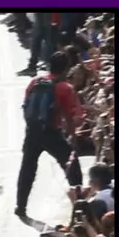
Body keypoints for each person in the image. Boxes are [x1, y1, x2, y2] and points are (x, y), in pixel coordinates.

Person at [15, 54, 86, 221]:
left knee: (27, 168)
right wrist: (73, 135)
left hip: (32, 132)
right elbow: (73, 116)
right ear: (66, 68)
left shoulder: (35, 82)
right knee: (72, 167)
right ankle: (81, 206)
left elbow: (26, 105)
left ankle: (20, 205)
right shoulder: (65, 88)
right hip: (52, 133)